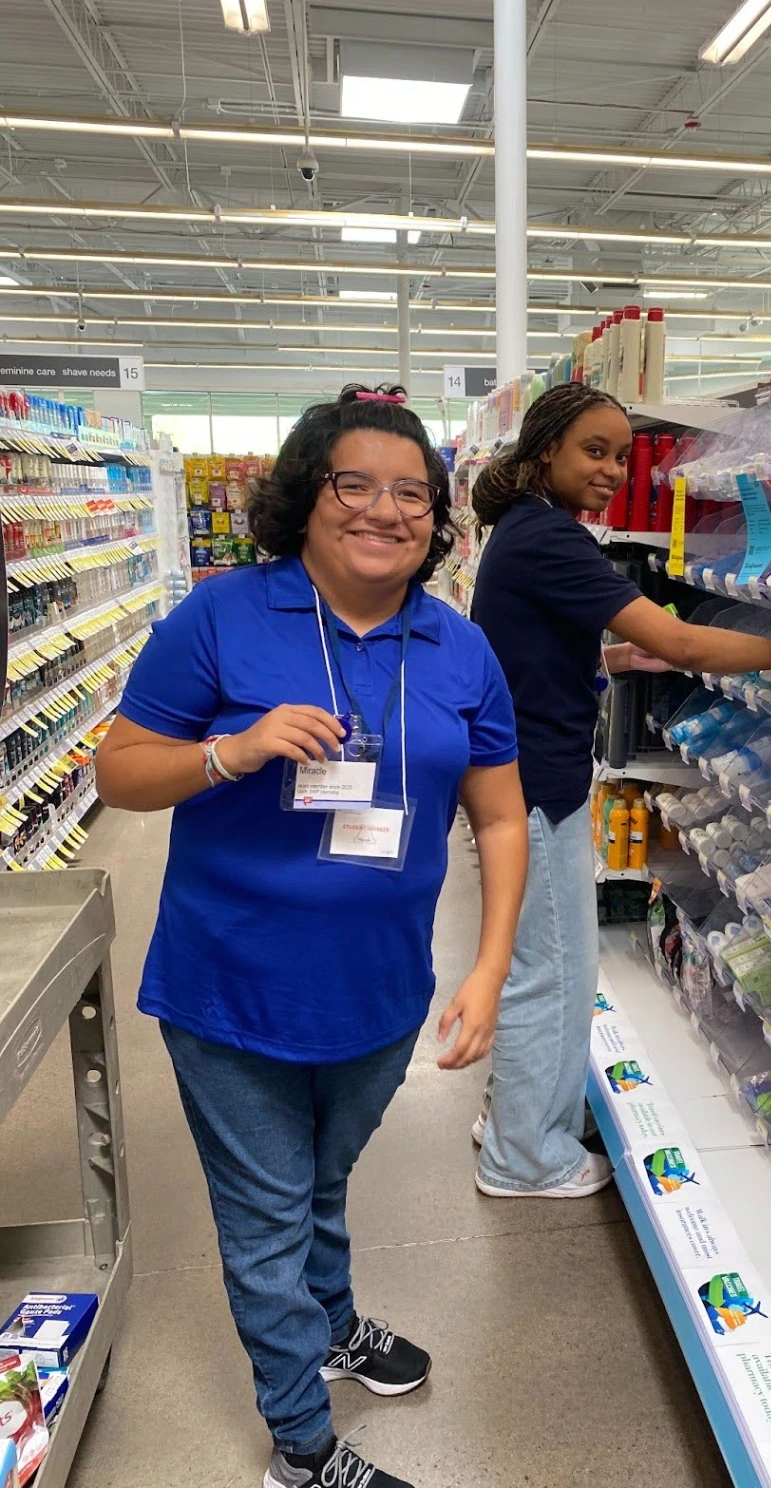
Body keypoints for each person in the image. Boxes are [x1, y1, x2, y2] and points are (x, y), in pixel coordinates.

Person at [96, 385, 528, 1488]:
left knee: (321, 1178)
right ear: (306, 495)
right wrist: (229, 753)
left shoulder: (457, 646)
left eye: (414, 493)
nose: (387, 509)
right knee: (268, 1215)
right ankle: (300, 1443)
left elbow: (500, 812)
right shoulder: (223, 616)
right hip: (231, 989)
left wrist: (487, 968)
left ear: (438, 518)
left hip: (380, 992)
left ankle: (332, 1323)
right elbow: (120, 767)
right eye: (357, 483)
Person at [469, 382, 771, 1199]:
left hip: (525, 772)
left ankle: (515, 1116)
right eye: (594, 451)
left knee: (543, 962)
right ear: (547, 452)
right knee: (553, 968)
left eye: (621, 454)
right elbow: (685, 640)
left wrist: (607, 662)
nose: (612, 470)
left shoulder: (529, 529)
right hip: (536, 785)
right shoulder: (550, 538)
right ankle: (523, 1159)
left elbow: (527, 649)